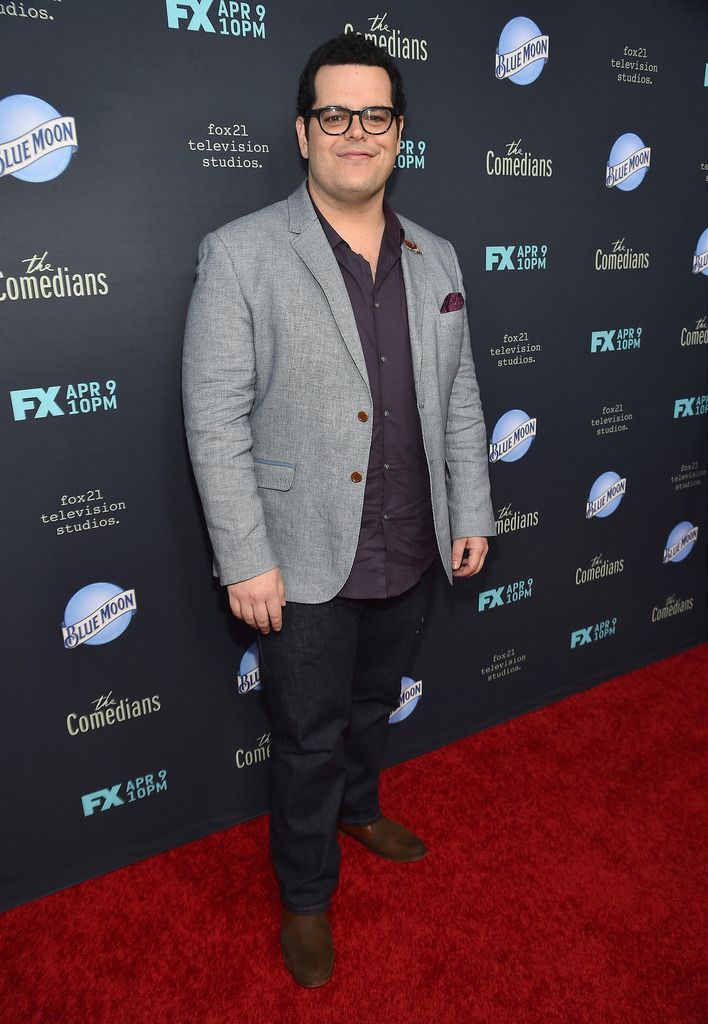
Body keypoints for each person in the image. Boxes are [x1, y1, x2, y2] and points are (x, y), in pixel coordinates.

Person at [182, 33, 495, 988]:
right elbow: (214, 418)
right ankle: (307, 892)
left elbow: (461, 396)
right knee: (308, 735)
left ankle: (362, 808)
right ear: (302, 132)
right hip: (302, 550)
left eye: (376, 115)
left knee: (369, 707)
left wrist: (471, 507)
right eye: (334, 114)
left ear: (399, 134)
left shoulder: (436, 256)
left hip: (413, 538)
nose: (355, 132)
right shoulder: (240, 254)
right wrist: (245, 557)